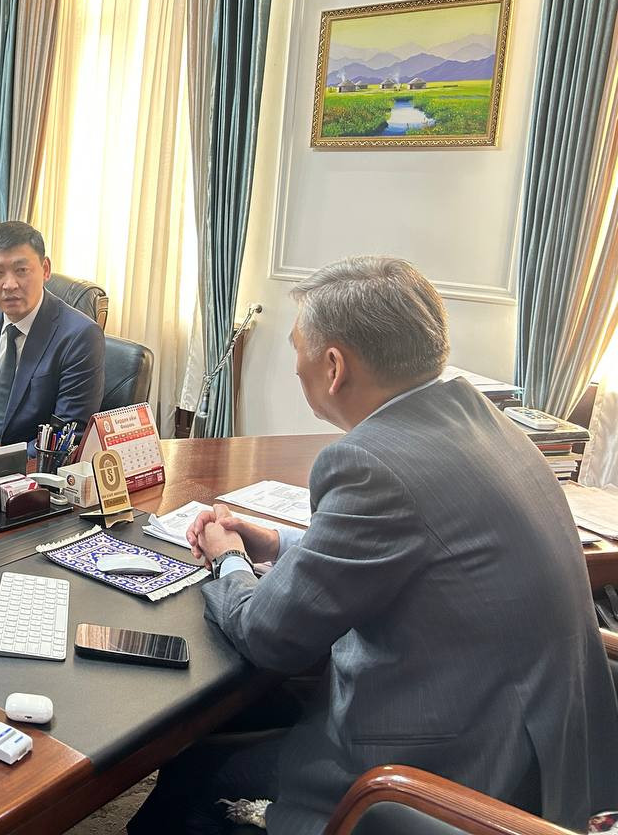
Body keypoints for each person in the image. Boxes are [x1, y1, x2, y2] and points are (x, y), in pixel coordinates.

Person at [130, 256, 618, 835]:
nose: (296, 366)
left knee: (192, 779)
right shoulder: (482, 418)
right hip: (550, 749)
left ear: (334, 366)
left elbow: (269, 635)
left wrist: (227, 557)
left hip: (455, 777)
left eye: (297, 350)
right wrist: (279, 542)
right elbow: (416, 549)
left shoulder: (370, 463)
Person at [0, 221, 104, 446]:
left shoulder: (80, 336)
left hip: (27, 461)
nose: (9, 285)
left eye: (22, 270)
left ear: (45, 269)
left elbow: (64, 436)